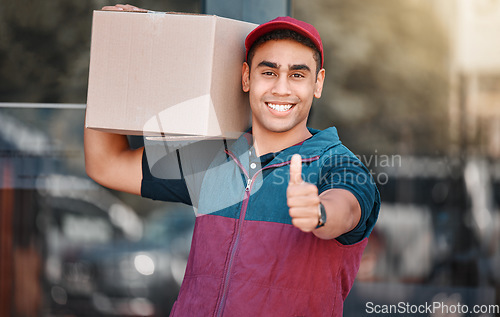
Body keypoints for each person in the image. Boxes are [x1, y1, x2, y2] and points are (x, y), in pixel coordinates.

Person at [84, 4, 380, 316]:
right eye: (268, 72)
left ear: (317, 84)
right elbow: (106, 163)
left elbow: (345, 208)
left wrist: (318, 212)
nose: (281, 88)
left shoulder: (338, 164)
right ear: (246, 77)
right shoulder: (215, 158)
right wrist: (116, 48)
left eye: (297, 75)